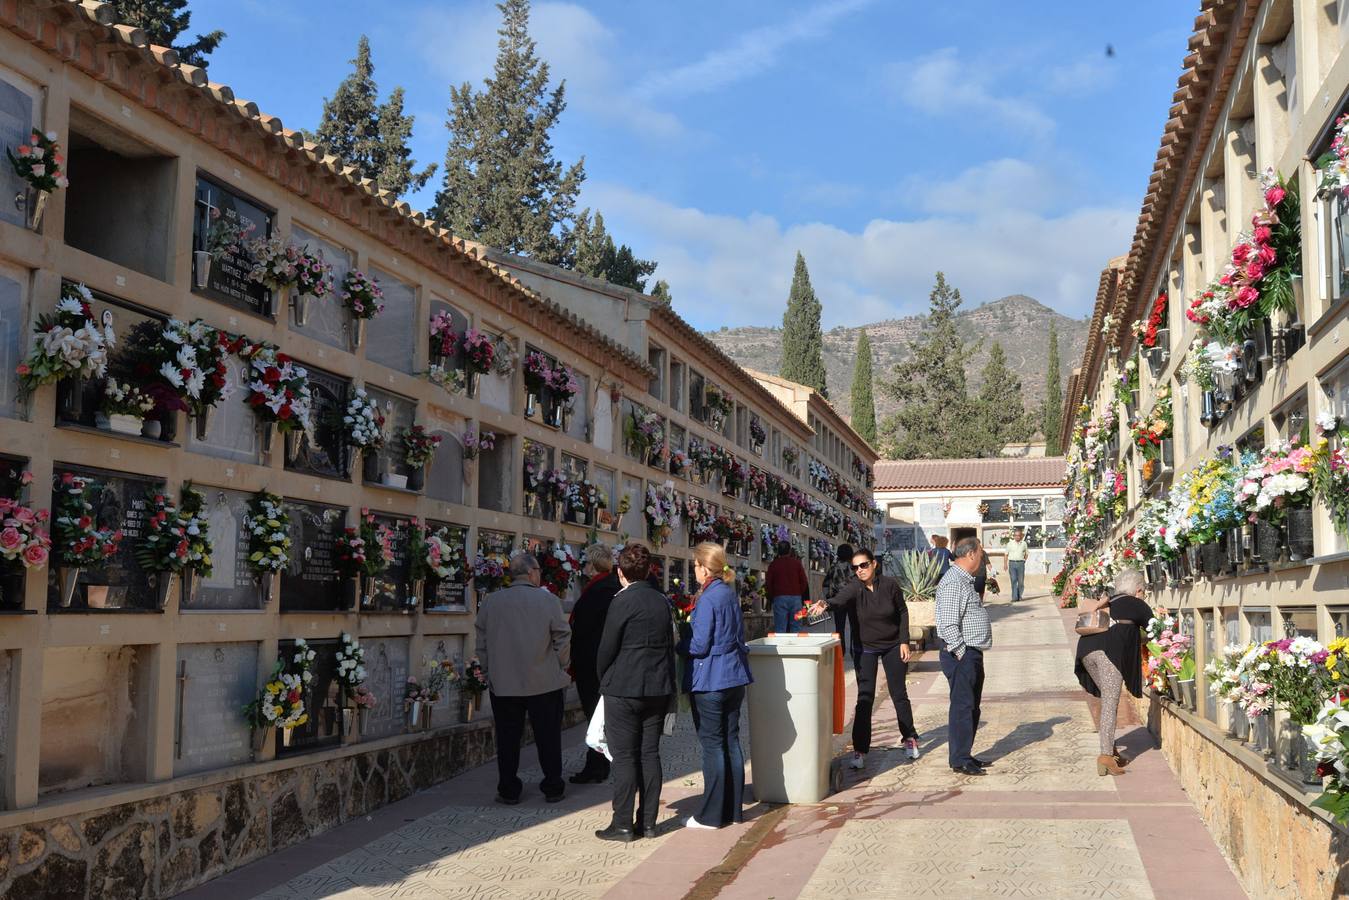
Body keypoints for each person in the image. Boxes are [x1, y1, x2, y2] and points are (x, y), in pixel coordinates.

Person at [595, 543, 677, 842]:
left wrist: (604, 679)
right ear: (649, 570)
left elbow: (606, 648)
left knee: (625, 757)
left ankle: (623, 825)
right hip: (656, 686)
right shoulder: (661, 601)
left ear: (620, 573)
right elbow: (669, 646)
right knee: (649, 754)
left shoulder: (621, 602)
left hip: (624, 687)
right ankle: (650, 823)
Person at [809, 547, 919, 770]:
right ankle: (860, 749)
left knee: (899, 694)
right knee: (865, 698)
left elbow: (902, 612)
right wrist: (825, 604)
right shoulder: (853, 588)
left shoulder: (890, 585)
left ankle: (909, 737)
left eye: (863, 565)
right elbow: (839, 600)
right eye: (855, 567)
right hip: (865, 649)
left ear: (874, 564)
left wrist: (904, 641)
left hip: (892, 646)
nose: (859, 570)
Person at [474, 552, 572, 805]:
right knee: (548, 737)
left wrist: (489, 671)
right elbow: (562, 636)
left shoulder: (491, 602)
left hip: (504, 684)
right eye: (538, 570)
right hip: (544, 681)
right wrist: (563, 666)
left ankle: (508, 789)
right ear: (531, 573)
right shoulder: (548, 600)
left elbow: (481, 643)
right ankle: (552, 787)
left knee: (507, 739)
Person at [684, 542, 753, 829]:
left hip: (711, 679)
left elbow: (699, 645)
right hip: (735, 677)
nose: (694, 572)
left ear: (703, 567)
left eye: (695, 567)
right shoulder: (728, 593)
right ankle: (733, 810)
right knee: (731, 741)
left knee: (713, 745)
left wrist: (680, 643)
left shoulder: (708, 599)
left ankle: (712, 815)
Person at [1074, 567, 1156, 776]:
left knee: (1108, 700)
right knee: (1111, 702)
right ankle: (1105, 757)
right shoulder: (1137, 604)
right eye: (1144, 591)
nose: (1144, 595)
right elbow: (1156, 631)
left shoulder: (1110, 602)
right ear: (1138, 590)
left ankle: (1110, 749)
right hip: (1108, 654)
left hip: (1086, 652)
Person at [934, 538, 993, 776]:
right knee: (962, 707)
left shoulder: (963, 580)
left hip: (970, 652)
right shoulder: (953, 581)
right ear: (970, 555)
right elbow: (948, 624)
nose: (982, 559)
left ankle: (965, 754)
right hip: (961, 653)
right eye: (980, 554)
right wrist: (960, 652)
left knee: (971, 707)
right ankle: (959, 759)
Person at [569, 543, 621, 784]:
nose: (585, 568)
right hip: (604, 663)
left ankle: (597, 766)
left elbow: (585, 630)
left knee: (595, 716)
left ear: (593, 565)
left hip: (593, 665)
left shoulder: (599, 590)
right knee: (600, 717)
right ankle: (599, 764)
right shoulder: (610, 586)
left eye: (587, 563)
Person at [823, 543, 861, 668]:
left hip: (838, 600)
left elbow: (826, 583)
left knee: (839, 628)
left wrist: (829, 599)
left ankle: (841, 650)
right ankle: (854, 650)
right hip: (853, 600)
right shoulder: (854, 567)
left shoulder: (834, 567)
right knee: (854, 625)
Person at [766, 540, 810, 634]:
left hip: (779, 598)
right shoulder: (797, 563)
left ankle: (781, 648)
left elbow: (769, 584)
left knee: (780, 628)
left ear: (778, 551)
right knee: (796, 627)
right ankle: (794, 648)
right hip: (796, 599)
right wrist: (798, 593)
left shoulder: (773, 565)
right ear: (789, 551)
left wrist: (772, 596)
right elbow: (804, 581)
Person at [1005, 528, 1028, 603]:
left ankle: (1020, 595)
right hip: (1012, 563)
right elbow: (1006, 554)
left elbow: (1026, 554)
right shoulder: (1009, 544)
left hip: (1021, 563)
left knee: (1021, 581)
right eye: (1016, 535)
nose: (1017, 537)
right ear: (1014, 536)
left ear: (1021, 536)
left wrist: (1024, 560)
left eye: (1019, 535)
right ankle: (1014, 597)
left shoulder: (1024, 543)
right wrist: (1005, 564)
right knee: (1013, 580)